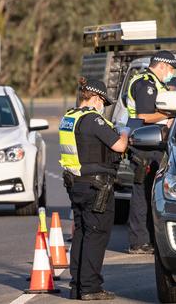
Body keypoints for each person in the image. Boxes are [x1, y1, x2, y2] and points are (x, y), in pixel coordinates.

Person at [60, 78, 128, 301]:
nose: (103, 107)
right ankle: (90, 288)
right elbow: (119, 146)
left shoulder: (68, 117)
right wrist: (125, 132)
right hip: (96, 186)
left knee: (81, 233)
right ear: (97, 98)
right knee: (96, 235)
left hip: (76, 184)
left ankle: (77, 286)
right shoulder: (92, 120)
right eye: (103, 102)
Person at [125, 50, 176, 255]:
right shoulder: (146, 83)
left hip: (153, 144)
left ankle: (148, 239)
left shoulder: (156, 84)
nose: (172, 72)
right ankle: (139, 241)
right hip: (144, 146)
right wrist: (171, 112)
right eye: (172, 68)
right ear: (162, 65)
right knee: (142, 194)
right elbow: (143, 115)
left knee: (151, 193)